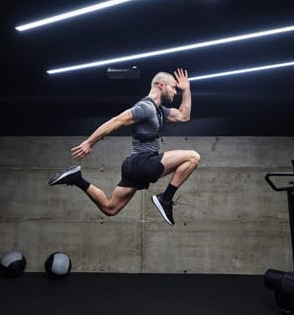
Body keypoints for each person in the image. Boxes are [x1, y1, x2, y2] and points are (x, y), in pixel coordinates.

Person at [48, 68, 200, 226]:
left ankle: (77, 179)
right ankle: (165, 199)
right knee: (193, 157)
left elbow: (184, 116)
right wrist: (89, 142)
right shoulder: (146, 108)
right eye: (173, 88)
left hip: (135, 166)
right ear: (161, 85)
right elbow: (116, 121)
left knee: (110, 208)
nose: (175, 92)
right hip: (143, 162)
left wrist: (186, 90)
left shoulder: (160, 111)